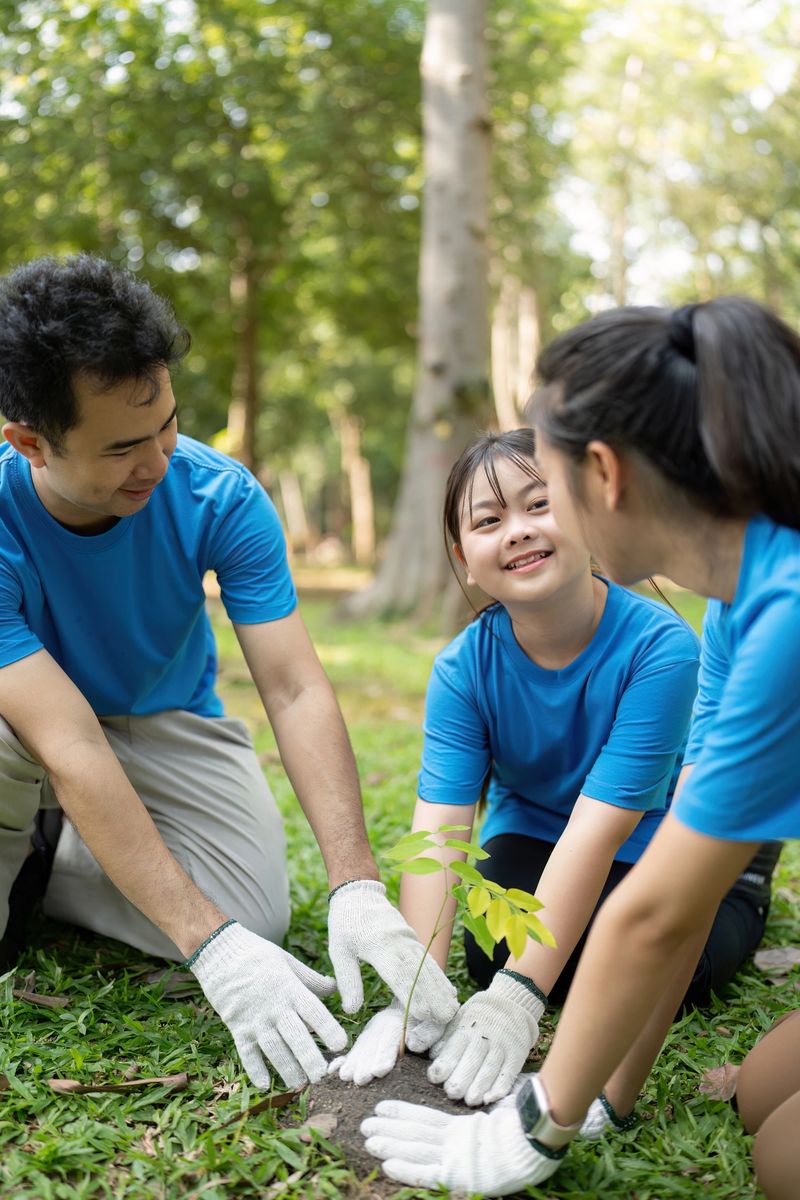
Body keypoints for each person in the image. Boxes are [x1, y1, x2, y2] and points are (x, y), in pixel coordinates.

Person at [361, 296, 800, 1198]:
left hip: (637, 875)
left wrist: (539, 1123)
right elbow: (677, 893)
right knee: (760, 1099)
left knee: (780, 1157)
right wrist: (610, 1099)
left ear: (601, 474)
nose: (526, 525)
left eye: (545, 489)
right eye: (490, 520)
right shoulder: (729, 608)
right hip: (625, 880)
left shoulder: (763, 619)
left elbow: (656, 910)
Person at [0, 254, 457, 1095]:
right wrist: (204, 948)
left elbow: (294, 688)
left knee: (257, 918)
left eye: (168, 423)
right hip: (27, 729)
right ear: (29, 439)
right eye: (125, 446)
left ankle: (56, 855)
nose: (161, 461)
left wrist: (355, 883)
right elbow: (64, 736)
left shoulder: (221, 496)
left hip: (163, 717)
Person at [334, 428, 777, 1106]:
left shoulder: (663, 649)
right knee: (490, 953)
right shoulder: (462, 669)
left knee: (653, 972)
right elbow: (440, 834)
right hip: (540, 832)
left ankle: (747, 872)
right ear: (465, 558)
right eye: (489, 520)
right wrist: (414, 992)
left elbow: (599, 832)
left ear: (590, 516)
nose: (517, 530)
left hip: (659, 841)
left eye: (539, 505)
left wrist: (519, 997)